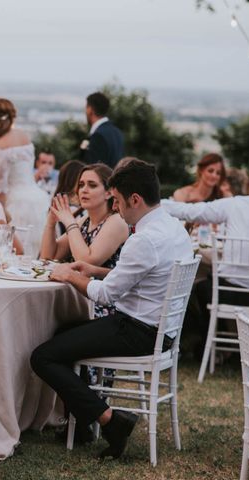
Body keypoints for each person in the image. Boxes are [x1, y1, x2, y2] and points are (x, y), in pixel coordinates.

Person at [30, 159, 193, 460]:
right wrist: (93, 269)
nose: (116, 208)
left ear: (134, 199)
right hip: (160, 330)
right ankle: (84, 421)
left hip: (136, 331)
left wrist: (71, 275)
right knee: (61, 333)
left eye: (116, 201)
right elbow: (145, 277)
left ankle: (109, 421)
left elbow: (104, 296)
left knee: (42, 356)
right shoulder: (172, 227)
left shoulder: (144, 239)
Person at [162, 164, 249, 351]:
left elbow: (191, 211)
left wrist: (155, 203)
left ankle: (203, 347)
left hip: (229, 295)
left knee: (198, 287)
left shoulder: (237, 204)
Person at [40, 163, 128, 317]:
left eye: (92, 185)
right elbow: (48, 257)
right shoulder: (86, 221)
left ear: (108, 193)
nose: (84, 190)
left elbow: (87, 262)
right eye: (81, 185)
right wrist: (50, 223)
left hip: (105, 307)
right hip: (82, 298)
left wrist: (69, 222)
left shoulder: (116, 221)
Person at [0, 98, 50, 257]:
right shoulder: (24, 136)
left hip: (15, 203)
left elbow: (1, 188)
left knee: (12, 252)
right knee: (38, 249)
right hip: (37, 197)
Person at [80, 92, 124, 168]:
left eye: (86, 107)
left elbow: (96, 170)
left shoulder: (98, 136)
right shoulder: (117, 132)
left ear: (90, 109)